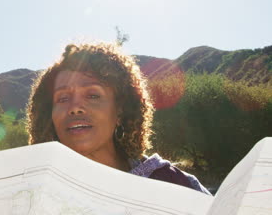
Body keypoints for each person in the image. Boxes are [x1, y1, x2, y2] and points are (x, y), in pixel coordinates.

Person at [26, 42, 211, 194]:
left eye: (92, 95)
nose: (75, 108)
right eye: (63, 98)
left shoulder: (175, 185)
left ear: (121, 108)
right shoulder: (32, 194)